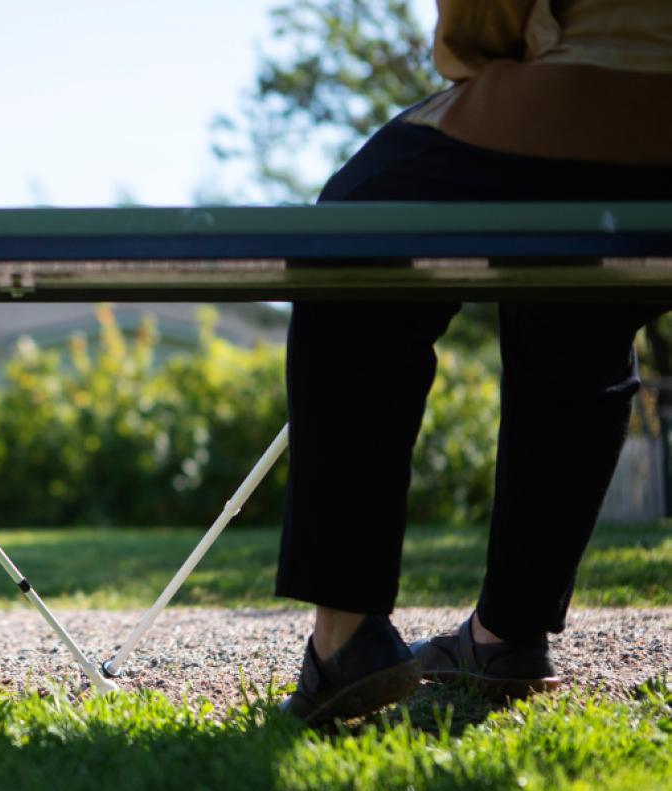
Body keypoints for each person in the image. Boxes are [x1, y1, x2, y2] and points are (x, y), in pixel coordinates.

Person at [278, 0, 672, 726]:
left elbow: (483, 25)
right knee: (577, 301)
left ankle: (343, 641)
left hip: (607, 83)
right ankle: (504, 636)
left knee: (349, 230)